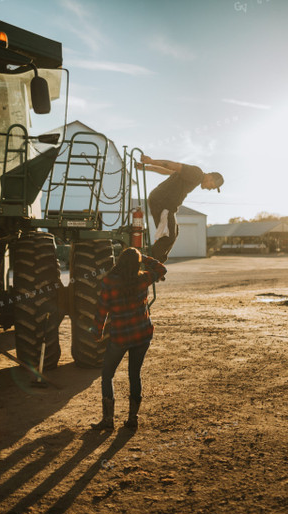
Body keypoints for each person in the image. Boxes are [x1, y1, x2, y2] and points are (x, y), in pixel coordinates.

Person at [91, 247, 167, 431]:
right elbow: (162, 270)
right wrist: (144, 258)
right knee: (135, 375)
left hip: (120, 336)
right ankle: (133, 419)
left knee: (107, 375)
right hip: (142, 334)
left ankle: (108, 420)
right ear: (136, 263)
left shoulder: (109, 281)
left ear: (120, 261)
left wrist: (97, 332)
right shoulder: (142, 278)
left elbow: (102, 309)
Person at [136, 155, 224, 263]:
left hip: (164, 203)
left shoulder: (194, 177)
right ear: (211, 177)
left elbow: (167, 171)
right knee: (168, 237)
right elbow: (174, 166)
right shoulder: (197, 174)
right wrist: (151, 161)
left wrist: (146, 167)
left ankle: (155, 261)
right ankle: (148, 263)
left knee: (174, 232)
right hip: (163, 202)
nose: (210, 189)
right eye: (213, 186)